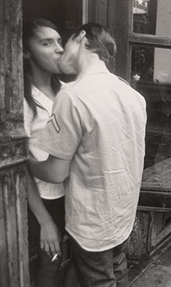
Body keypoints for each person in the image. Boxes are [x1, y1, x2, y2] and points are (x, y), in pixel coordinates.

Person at [29, 23, 147, 287]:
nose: (60, 52)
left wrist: (28, 162)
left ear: (81, 37)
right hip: (121, 217)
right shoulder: (133, 95)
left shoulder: (72, 96)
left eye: (64, 42)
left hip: (92, 225)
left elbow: (56, 172)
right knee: (116, 271)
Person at [23, 18, 79, 287]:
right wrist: (44, 220)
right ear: (25, 51)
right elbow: (19, 165)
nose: (59, 49)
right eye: (47, 43)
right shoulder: (21, 100)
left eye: (59, 42)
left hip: (75, 192)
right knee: (51, 258)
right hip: (42, 198)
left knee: (82, 259)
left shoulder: (68, 92)